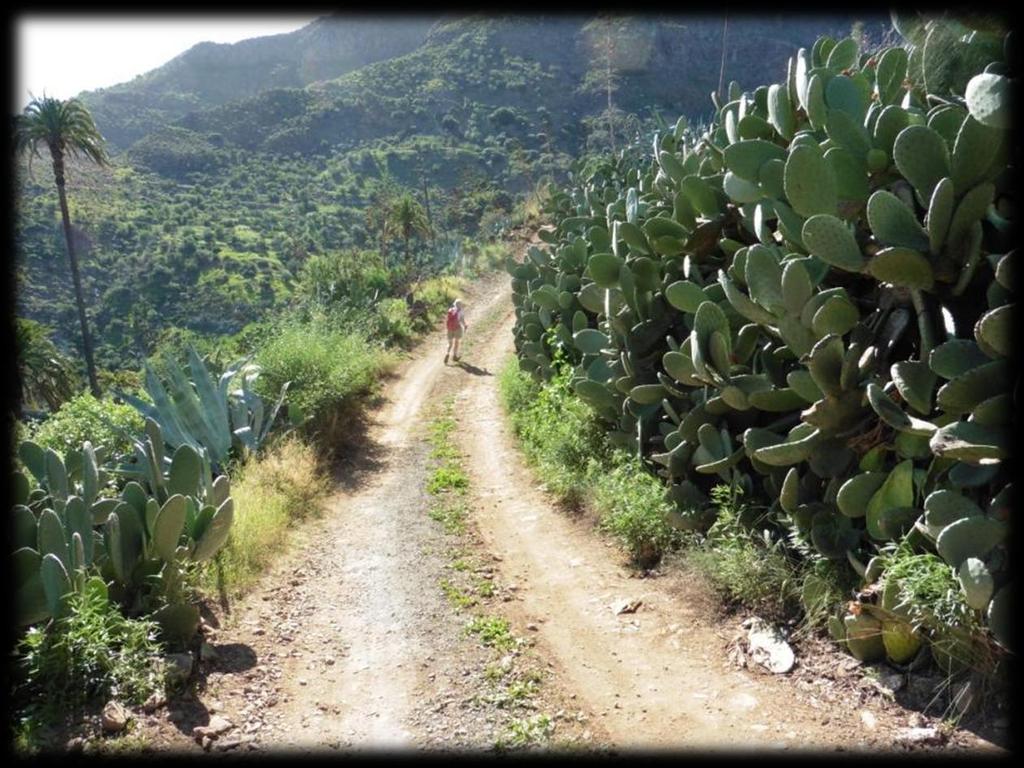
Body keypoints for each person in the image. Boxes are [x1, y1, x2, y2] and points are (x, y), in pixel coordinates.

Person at [444, 298, 467, 364]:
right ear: (460, 305)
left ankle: (447, 353)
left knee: (450, 343)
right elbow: (462, 319)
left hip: (449, 328)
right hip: (457, 328)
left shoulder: (450, 310)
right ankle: (454, 356)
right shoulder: (461, 311)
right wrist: (465, 325)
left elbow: (447, 319)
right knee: (456, 342)